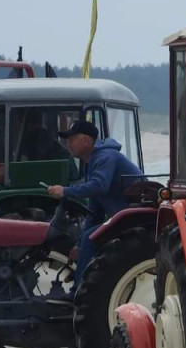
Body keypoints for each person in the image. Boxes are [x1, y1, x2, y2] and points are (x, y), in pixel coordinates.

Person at [46, 119, 143, 285]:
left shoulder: (106, 156)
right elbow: (95, 210)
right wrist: (78, 245)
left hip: (133, 214)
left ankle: (79, 290)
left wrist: (65, 191)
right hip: (122, 215)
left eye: (71, 139)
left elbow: (99, 186)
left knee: (90, 240)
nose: (67, 144)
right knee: (88, 237)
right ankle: (86, 285)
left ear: (85, 140)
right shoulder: (91, 163)